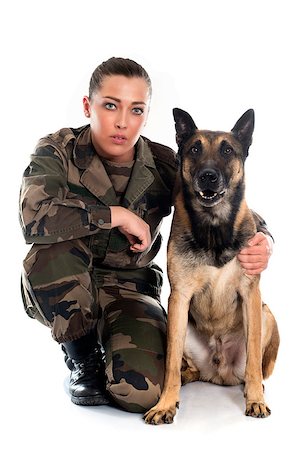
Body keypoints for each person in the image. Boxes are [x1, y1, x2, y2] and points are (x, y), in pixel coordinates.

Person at [19, 57, 273, 413]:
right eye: (110, 105)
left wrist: (264, 237)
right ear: (87, 106)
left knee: (139, 393)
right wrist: (116, 215)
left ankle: (115, 349)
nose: (123, 121)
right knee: (52, 254)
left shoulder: (165, 162)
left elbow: (219, 200)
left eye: (136, 110)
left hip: (130, 288)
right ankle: (82, 357)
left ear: (146, 115)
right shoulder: (56, 152)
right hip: (64, 282)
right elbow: (33, 217)